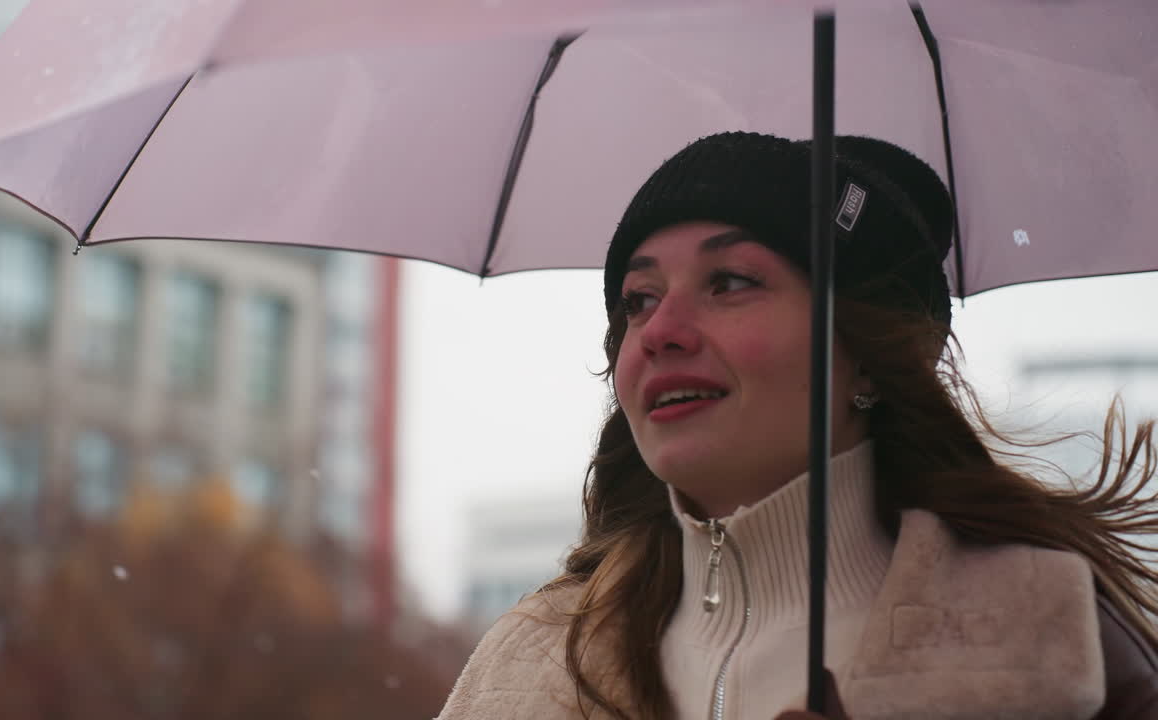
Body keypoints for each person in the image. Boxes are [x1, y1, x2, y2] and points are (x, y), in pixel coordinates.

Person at [435, 131, 1158, 720]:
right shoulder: (527, 663)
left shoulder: (1050, 642)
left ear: (869, 358)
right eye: (639, 299)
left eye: (731, 283)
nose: (661, 332)